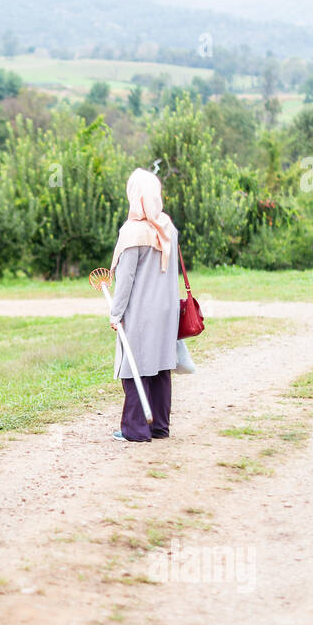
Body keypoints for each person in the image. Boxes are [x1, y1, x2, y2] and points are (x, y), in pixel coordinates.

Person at [108, 168, 180, 443]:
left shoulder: (132, 231)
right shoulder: (168, 227)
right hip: (166, 309)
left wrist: (115, 313)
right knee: (161, 366)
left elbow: (125, 280)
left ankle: (135, 429)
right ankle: (159, 426)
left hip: (140, 311)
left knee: (135, 366)